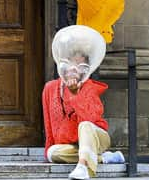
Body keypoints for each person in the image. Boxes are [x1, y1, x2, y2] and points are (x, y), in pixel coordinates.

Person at [43, 25, 123, 180]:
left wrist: (75, 95)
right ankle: (105, 158)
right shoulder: (50, 88)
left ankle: (84, 166)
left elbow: (89, 120)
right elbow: (48, 125)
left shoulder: (89, 87)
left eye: (80, 66)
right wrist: (49, 151)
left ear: (86, 70)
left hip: (96, 136)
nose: (74, 69)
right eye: (72, 63)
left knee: (84, 125)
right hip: (70, 144)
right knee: (52, 152)